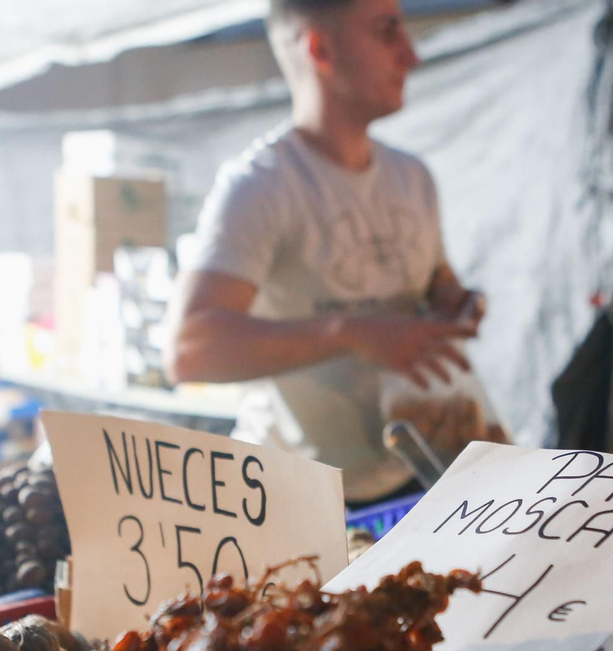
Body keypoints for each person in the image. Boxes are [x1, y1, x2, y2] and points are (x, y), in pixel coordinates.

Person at [165, 0, 482, 505]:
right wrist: (353, 333)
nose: (410, 54)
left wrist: (456, 302)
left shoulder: (412, 179)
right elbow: (190, 349)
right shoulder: (262, 186)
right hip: (295, 499)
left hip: (412, 477)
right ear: (321, 49)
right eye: (386, 31)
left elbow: (436, 281)